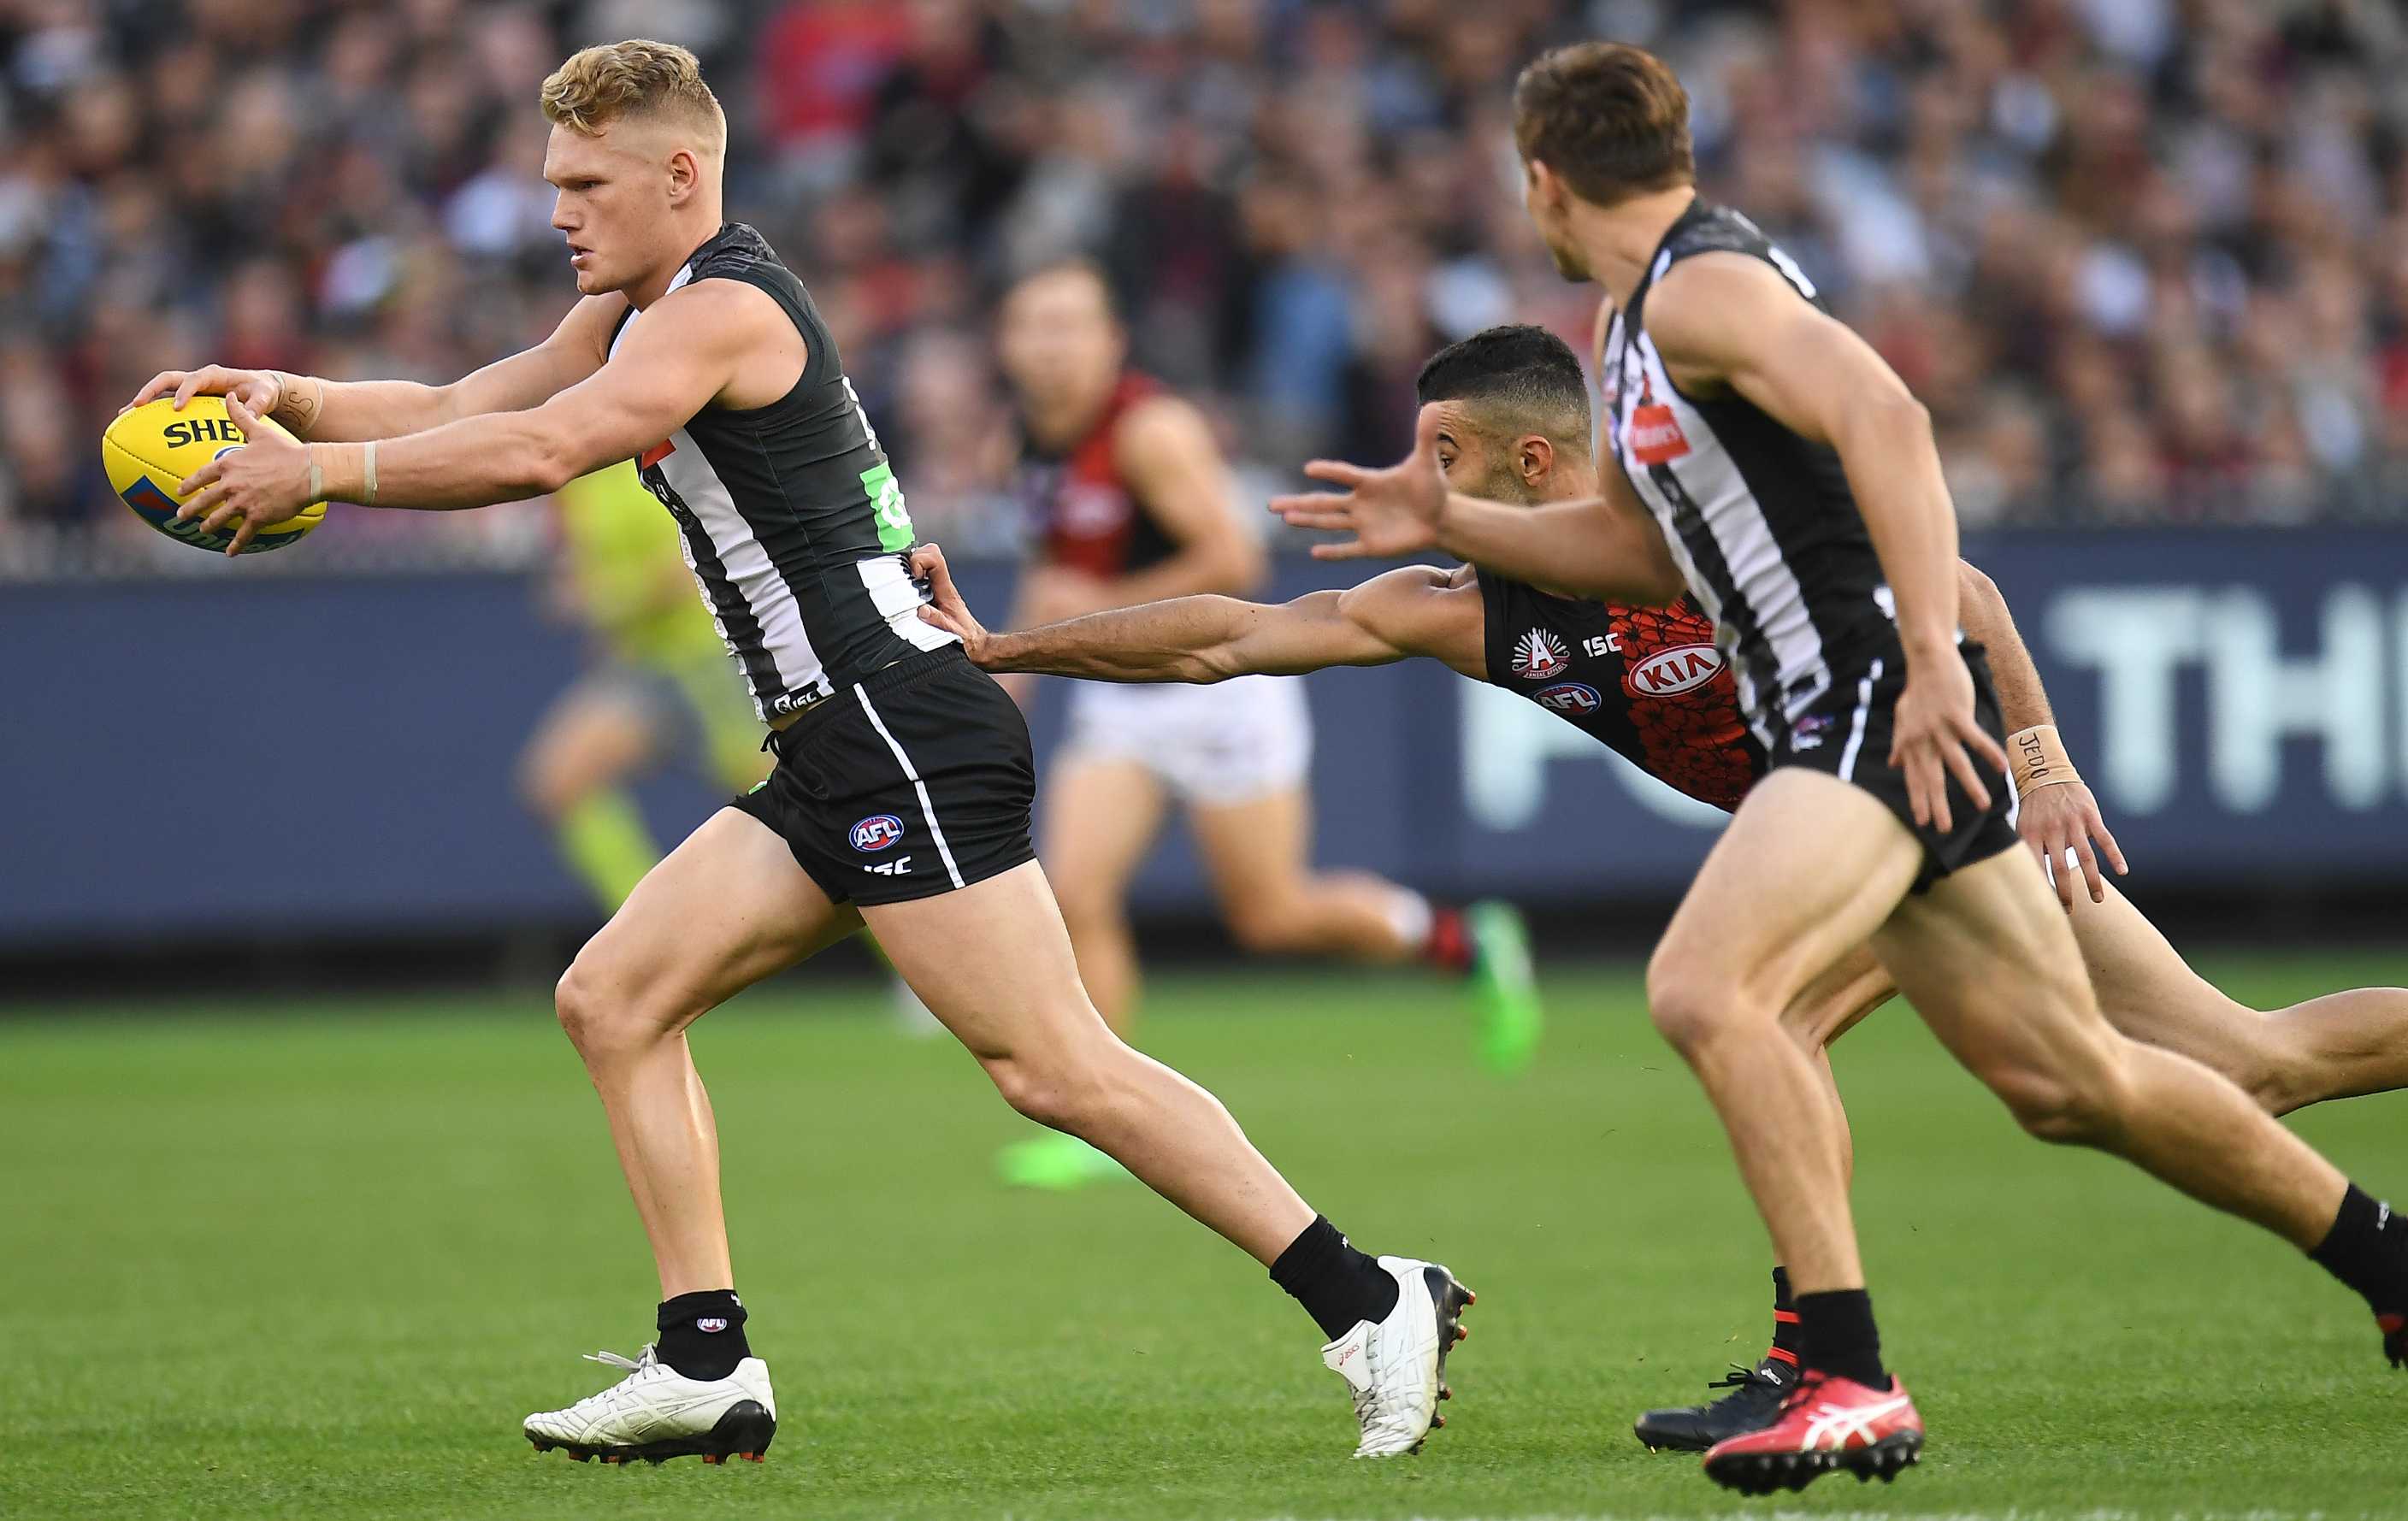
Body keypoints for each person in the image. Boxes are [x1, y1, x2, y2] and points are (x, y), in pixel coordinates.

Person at [130, 39, 1471, 1466]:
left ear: (681, 175)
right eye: (552, 182)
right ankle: (705, 1359)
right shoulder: (642, 309)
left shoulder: (721, 311)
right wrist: (289, 396)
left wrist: (318, 478)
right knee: (615, 997)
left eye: (586, 181)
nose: (560, 209)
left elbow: (542, 455)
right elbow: (479, 403)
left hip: (901, 725)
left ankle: (1369, 1291)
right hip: (837, 744)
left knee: (1054, 1066)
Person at [918, 321, 2408, 1462]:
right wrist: (1003, 642)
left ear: (1538, 458)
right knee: (2221, 1061)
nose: (1418, 487)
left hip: (1923, 791)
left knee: (1766, 1009)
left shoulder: (1688, 532)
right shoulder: (1462, 608)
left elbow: (1963, 585)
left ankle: (1822, 1358)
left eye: (1445, 460)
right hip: (1866, 831)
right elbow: (1226, 629)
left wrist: (2043, 751)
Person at [1269, 44, 2408, 1492]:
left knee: (1710, 987)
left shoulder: (1697, 289)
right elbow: (1649, 553)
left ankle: (1845, 1370)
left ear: (1541, 177)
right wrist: (1458, 524)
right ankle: (2406, 1259)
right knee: (2077, 1083)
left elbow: (1893, 422)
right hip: (1846, 716)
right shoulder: (1640, 324)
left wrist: (1926, 659)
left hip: (1857, 698)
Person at [989, 262, 1542, 1198]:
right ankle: (1098, 1120)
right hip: (1126, 697)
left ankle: (1464, 944)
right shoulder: (1033, 440)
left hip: (1218, 686)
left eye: (1069, 325)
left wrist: (1099, 606)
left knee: (1272, 914)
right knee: (1075, 892)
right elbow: (1060, 573)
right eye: (1032, 325)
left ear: (1111, 340)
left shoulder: (1147, 430)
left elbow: (1233, 554)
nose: (1049, 345)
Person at [520, 461, 770, 915]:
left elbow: (684, 569)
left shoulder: (658, 456)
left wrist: (599, 601)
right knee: (560, 781)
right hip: (644, 671)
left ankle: (905, 952)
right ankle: (659, 933)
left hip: (708, 664)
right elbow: (586, 572)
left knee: (797, 815)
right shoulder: (575, 478)